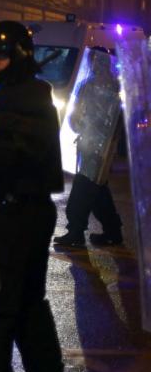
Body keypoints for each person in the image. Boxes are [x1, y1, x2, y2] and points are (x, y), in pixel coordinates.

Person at [0, 20, 63, 372]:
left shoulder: (22, 103)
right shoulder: (25, 97)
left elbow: (1, 165)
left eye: (2, 57)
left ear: (20, 56)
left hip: (18, 214)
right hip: (27, 212)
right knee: (28, 304)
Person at [53, 47, 124, 248]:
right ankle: (112, 231)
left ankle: (76, 231)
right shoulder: (111, 85)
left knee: (84, 189)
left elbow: (78, 116)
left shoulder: (101, 86)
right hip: (94, 144)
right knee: (97, 189)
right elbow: (77, 116)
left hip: (97, 146)